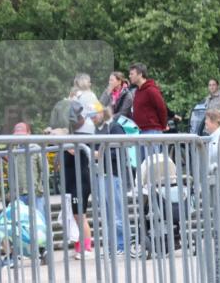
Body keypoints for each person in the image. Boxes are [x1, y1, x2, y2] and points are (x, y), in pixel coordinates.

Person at [92, 104, 128, 255]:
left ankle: (122, 245)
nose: (92, 118)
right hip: (101, 174)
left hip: (113, 174)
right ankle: (111, 246)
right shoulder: (98, 130)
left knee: (117, 213)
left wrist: (100, 154)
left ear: (102, 112)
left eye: (94, 114)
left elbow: (119, 151)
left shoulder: (115, 127)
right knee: (106, 214)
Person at [65, 101, 95, 259]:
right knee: (75, 215)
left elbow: (72, 150)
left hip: (80, 180)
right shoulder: (71, 134)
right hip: (72, 180)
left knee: (80, 216)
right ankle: (79, 247)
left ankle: (87, 248)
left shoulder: (83, 135)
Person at [128, 63, 168, 162]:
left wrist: (163, 125)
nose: (129, 76)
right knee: (144, 165)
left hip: (152, 131)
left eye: (132, 74)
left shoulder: (151, 90)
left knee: (152, 164)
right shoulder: (138, 91)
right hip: (141, 131)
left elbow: (162, 108)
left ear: (140, 74)